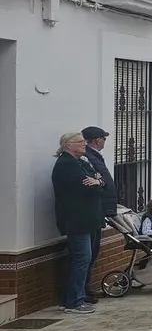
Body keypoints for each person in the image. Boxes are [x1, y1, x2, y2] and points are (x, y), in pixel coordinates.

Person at [51, 132, 105, 314]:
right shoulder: (66, 165)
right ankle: (74, 302)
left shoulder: (80, 162)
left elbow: (99, 180)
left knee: (82, 259)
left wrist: (97, 182)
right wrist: (97, 184)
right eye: (80, 142)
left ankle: (71, 299)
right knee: (82, 259)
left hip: (88, 219)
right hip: (77, 220)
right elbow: (86, 189)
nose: (84, 144)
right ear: (68, 145)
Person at [81, 125, 117, 304]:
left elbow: (101, 180)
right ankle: (83, 290)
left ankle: (85, 288)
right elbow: (98, 180)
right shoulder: (88, 157)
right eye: (103, 138)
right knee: (87, 253)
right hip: (94, 211)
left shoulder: (93, 156)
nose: (104, 142)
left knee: (92, 251)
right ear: (97, 140)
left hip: (99, 211)